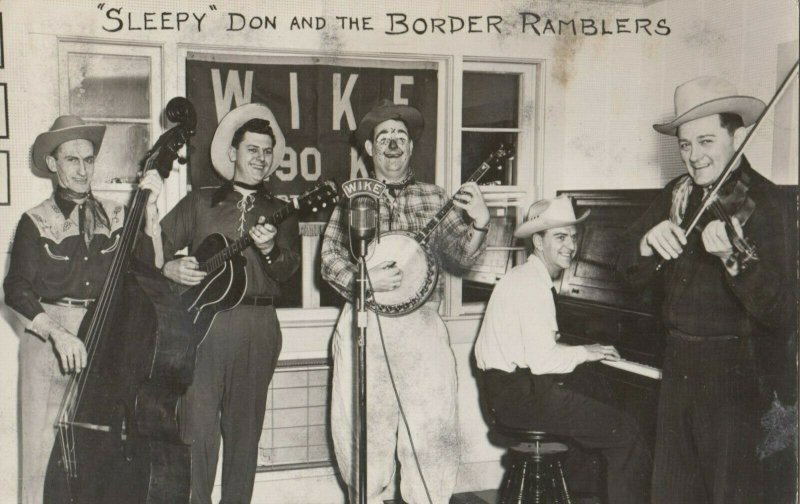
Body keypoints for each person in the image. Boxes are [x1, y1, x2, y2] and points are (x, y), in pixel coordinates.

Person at [616, 76, 790, 503]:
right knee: (672, 492)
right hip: (678, 365)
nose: (694, 157)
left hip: (734, 374)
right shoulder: (674, 196)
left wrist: (735, 259)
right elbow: (626, 271)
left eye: (707, 141)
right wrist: (645, 241)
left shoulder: (769, 203)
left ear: (737, 135)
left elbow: (783, 311)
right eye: (685, 144)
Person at [321, 99, 490, 504]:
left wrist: (481, 222)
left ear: (411, 147)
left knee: (431, 437)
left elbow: (463, 257)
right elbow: (329, 261)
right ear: (369, 149)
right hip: (365, 325)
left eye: (401, 137)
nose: (393, 144)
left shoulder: (435, 198)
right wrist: (364, 279)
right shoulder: (350, 200)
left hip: (422, 329)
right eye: (384, 138)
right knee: (364, 438)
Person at [3, 115, 163, 504]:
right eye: (72, 160)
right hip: (51, 340)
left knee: (98, 452)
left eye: (88, 160)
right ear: (53, 165)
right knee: (42, 455)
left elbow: (151, 267)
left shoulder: (117, 214)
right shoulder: (34, 221)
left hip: (105, 336)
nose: (82, 169)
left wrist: (152, 211)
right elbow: (15, 288)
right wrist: (57, 333)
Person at [159, 102, 299, 504]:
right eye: (253, 149)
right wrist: (170, 267)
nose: (261, 158)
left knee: (245, 437)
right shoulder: (200, 202)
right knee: (196, 433)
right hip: (201, 330)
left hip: (258, 327)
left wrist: (271, 249)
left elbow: (288, 271)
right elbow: (151, 247)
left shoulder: (280, 210)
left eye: (267, 151)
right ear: (233, 153)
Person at [474, 196, 652, 504]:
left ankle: (581, 495)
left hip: (506, 392)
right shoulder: (532, 285)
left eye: (572, 236)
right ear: (538, 242)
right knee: (627, 433)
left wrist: (582, 352)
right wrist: (587, 351)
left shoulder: (523, 277)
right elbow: (543, 361)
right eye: (560, 237)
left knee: (596, 394)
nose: (570, 244)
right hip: (521, 399)